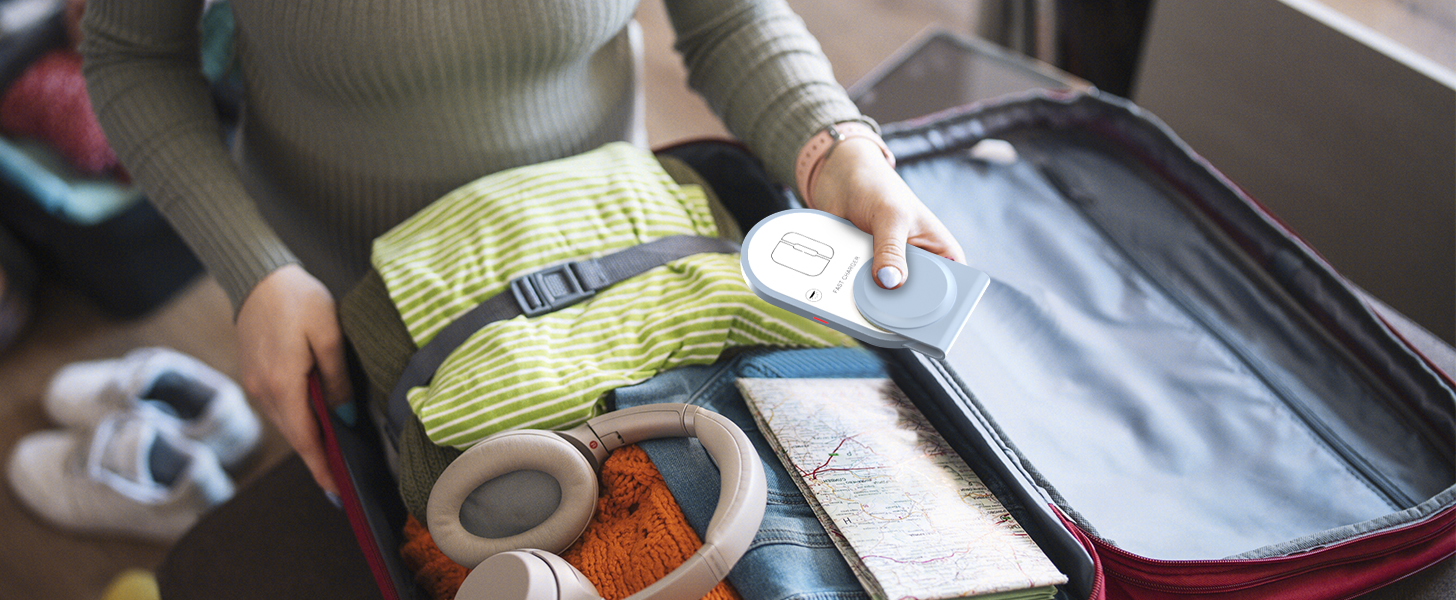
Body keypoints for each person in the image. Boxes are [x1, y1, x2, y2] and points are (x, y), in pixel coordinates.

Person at [81, 0, 965, 495]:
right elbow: (130, 53)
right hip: (354, 302)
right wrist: (256, 274)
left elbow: (728, 15)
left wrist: (835, 145)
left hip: (619, 254)